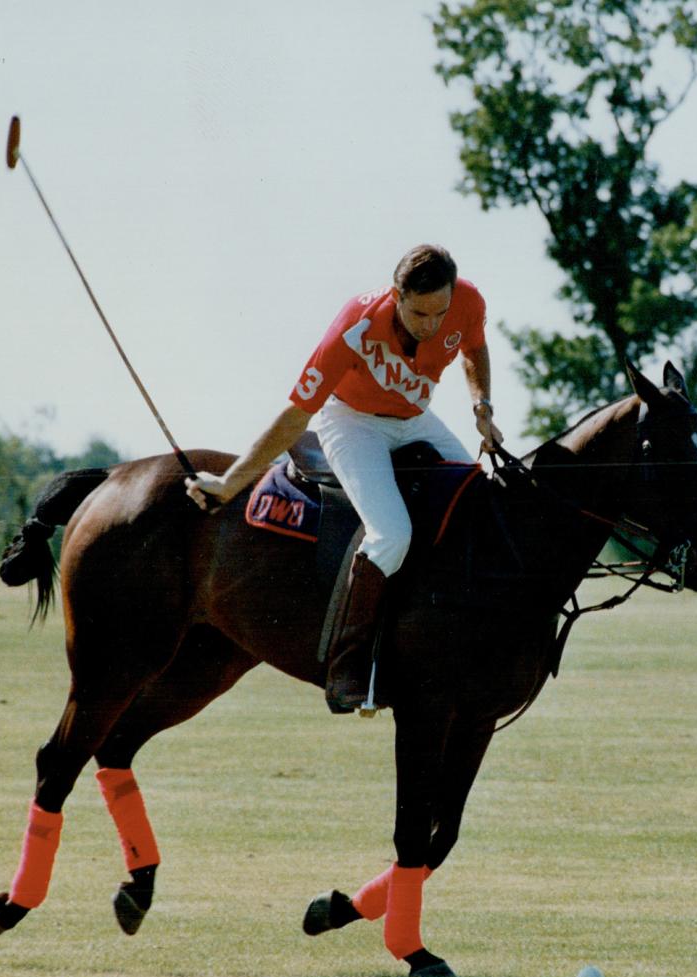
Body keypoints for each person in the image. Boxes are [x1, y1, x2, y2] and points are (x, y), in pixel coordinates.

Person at [185, 244, 502, 712]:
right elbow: (295, 416)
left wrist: (482, 406)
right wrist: (230, 483)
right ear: (396, 294)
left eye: (440, 313)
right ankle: (349, 666)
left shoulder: (468, 301)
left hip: (414, 419)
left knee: (480, 500)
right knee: (392, 534)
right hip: (352, 423)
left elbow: (474, 348)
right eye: (419, 313)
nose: (431, 325)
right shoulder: (355, 324)